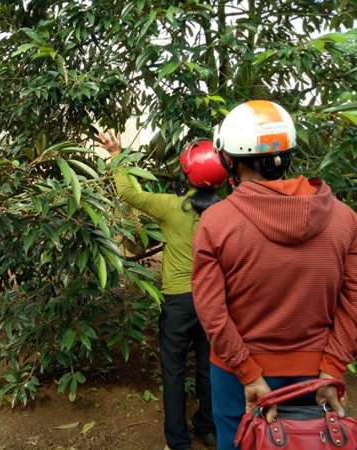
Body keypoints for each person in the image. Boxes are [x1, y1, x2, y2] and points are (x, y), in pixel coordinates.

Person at [191, 100, 357, 449]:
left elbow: (211, 311)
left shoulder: (217, 222)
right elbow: (353, 302)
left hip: (239, 375)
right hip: (315, 372)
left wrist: (248, 374)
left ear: (228, 159)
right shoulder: (345, 219)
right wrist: (332, 368)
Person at [98, 131, 228, 450]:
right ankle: (207, 428)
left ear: (186, 172)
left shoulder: (171, 207)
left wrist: (117, 154)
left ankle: (177, 440)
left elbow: (129, 193)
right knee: (209, 366)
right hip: (214, 302)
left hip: (179, 301)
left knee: (173, 369)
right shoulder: (229, 211)